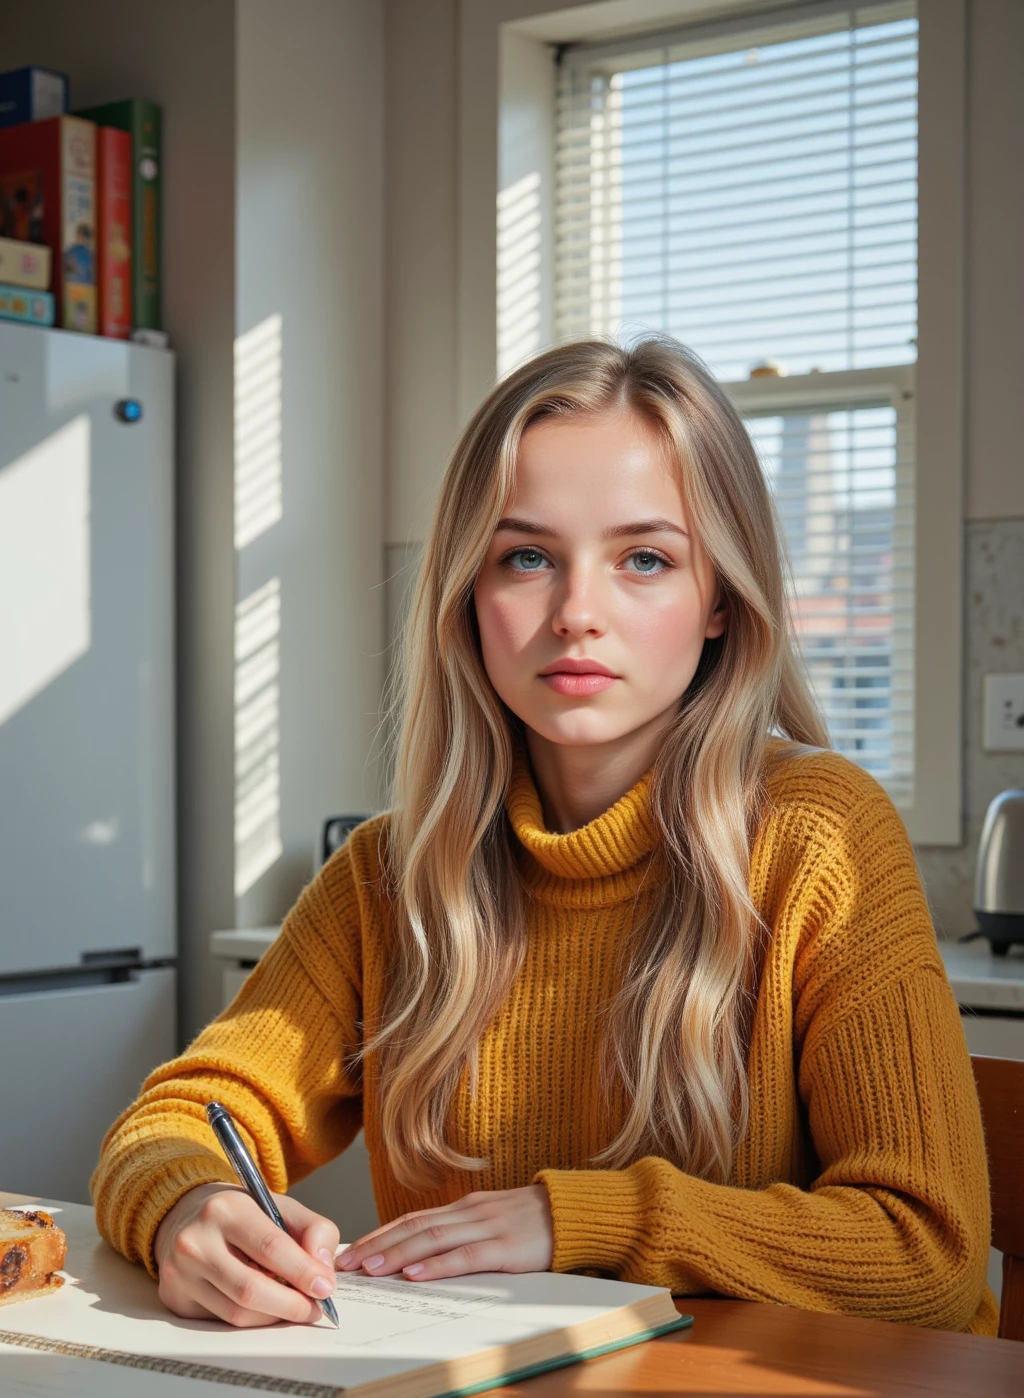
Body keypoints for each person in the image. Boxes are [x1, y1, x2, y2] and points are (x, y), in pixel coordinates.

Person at [92, 337, 996, 1335]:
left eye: (643, 560)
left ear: (720, 605)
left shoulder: (819, 833)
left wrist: (579, 1221)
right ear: (468, 598)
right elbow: (181, 1118)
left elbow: (928, 1258)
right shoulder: (390, 878)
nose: (575, 614)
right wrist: (186, 1207)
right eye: (526, 557)